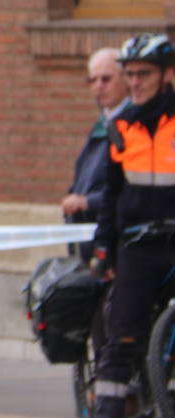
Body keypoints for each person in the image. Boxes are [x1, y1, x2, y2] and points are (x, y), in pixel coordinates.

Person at [86, 33, 175, 418]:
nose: (135, 83)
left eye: (145, 75)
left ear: (167, 75)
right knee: (120, 338)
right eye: (131, 75)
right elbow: (112, 194)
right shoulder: (122, 127)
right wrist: (103, 248)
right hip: (138, 243)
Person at [61, 47, 128, 262]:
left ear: (124, 79)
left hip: (117, 240)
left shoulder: (129, 126)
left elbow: (126, 188)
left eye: (106, 79)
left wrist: (88, 201)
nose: (98, 86)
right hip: (90, 237)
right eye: (92, 80)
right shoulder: (102, 124)